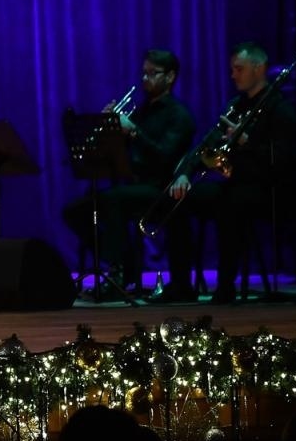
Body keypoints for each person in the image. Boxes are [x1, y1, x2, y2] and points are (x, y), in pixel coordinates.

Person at [160, 41, 296, 304]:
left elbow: (282, 158)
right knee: (176, 199)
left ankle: (225, 287)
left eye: (239, 69)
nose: (233, 75)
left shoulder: (279, 108)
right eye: (233, 69)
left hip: (267, 188)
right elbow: (205, 144)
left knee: (229, 204)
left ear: (258, 69)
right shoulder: (235, 105)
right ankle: (180, 284)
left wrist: (247, 142)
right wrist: (184, 174)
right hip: (235, 184)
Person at [59, 49, 196, 294]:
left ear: (171, 77)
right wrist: (108, 126)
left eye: (153, 73)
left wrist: (133, 131)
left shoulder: (179, 115)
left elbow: (165, 157)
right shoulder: (141, 111)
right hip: (132, 186)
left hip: (161, 188)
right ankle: (127, 261)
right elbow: (116, 155)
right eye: (144, 73)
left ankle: (118, 274)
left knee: (113, 199)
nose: (145, 79)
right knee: (74, 211)